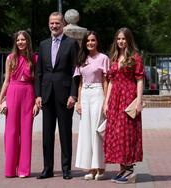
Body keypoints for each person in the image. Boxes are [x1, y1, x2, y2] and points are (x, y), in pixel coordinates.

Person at [35, 11, 79, 180]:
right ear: (49, 24)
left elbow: (76, 71)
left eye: (57, 23)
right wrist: (38, 94)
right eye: (52, 23)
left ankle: (66, 168)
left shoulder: (71, 44)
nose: (54, 26)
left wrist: (73, 95)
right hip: (46, 95)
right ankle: (48, 168)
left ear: (63, 24)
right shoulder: (43, 44)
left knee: (65, 133)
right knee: (47, 134)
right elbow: (39, 72)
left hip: (64, 95)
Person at [103, 27, 144, 184]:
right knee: (117, 133)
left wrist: (139, 100)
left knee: (127, 132)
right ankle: (123, 169)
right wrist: (106, 102)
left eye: (123, 39)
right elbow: (111, 82)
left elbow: (140, 79)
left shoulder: (135, 57)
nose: (120, 41)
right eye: (118, 39)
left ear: (128, 40)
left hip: (128, 96)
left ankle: (129, 170)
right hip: (115, 99)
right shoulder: (114, 58)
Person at [0, 30, 39, 178]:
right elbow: (7, 80)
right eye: (18, 40)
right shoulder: (10, 58)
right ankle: (10, 169)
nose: (20, 42)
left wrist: (36, 103)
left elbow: (36, 82)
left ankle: (23, 170)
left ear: (28, 41)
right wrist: (0, 100)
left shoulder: (35, 58)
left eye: (23, 40)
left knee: (26, 132)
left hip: (28, 93)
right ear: (15, 42)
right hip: (13, 92)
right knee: (11, 132)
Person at [74, 31, 109, 180]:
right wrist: (78, 101)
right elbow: (80, 83)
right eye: (88, 40)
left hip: (98, 93)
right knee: (86, 131)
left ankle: (100, 168)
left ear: (97, 42)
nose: (90, 43)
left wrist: (106, 101)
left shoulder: (103, 58)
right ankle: (90, 167)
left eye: (93, 40)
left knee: (97, 131)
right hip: (86, 95)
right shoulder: (81, 59)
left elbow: (106, 81)